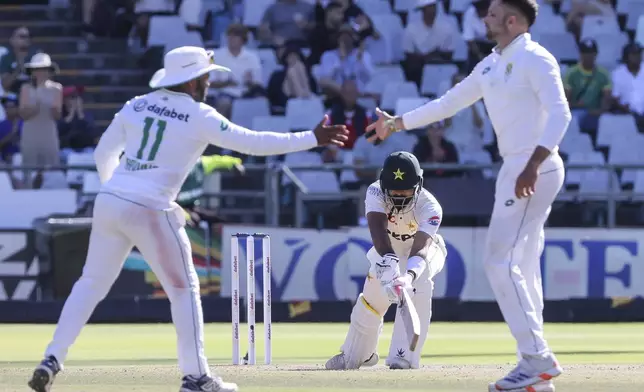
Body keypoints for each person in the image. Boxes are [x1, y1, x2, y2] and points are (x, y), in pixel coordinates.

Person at [27, 46, 348, 392]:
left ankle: (52, 358)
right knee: (184, 289)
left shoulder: (136, 104)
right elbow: (252, 143)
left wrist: (117, 192)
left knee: (89, 284)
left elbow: (103, 152)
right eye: (206, 77)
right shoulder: (200, 115)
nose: (209, 83)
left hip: (110, 199)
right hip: (150, 207)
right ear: (194, 82)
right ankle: (195, 377)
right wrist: (311, 138)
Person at [364, 0, 570, 390]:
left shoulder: (536, 58)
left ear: (512, 20)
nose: (484, 18)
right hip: (515, 166)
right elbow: (448, 103)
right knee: (523, 265)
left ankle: (537, 357)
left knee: (497, 260)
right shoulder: (490, 64)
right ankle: (537, 375)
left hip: (534, 166)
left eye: (492, 14)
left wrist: (531, 165)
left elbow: (561, 115)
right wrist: (397, 122)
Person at [325, 151, 447, 370]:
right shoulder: (375, 191)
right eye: (394, 190)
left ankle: (404, 357)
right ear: (383, 184)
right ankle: (357, 355)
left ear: (418, 184)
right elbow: (378, 234)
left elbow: (421, 249)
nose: (399, 195)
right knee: (371, 301)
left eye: (405, 190)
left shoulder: (431, 207)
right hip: (387, 249)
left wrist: (407, 277)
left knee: (418, 286)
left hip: (425, 253)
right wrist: (390, 265)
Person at [18, 53, 63, 188]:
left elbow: (57, 115)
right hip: (31, 133)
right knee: (29, 168)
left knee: (52, 168)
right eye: (37, 69)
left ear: (49, 71)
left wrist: (50, 106)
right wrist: (36, 106)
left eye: (43, 69)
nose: (40, 72)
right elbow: (23, 114)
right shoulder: (26, 89)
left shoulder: (56, 88)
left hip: (48, 132)